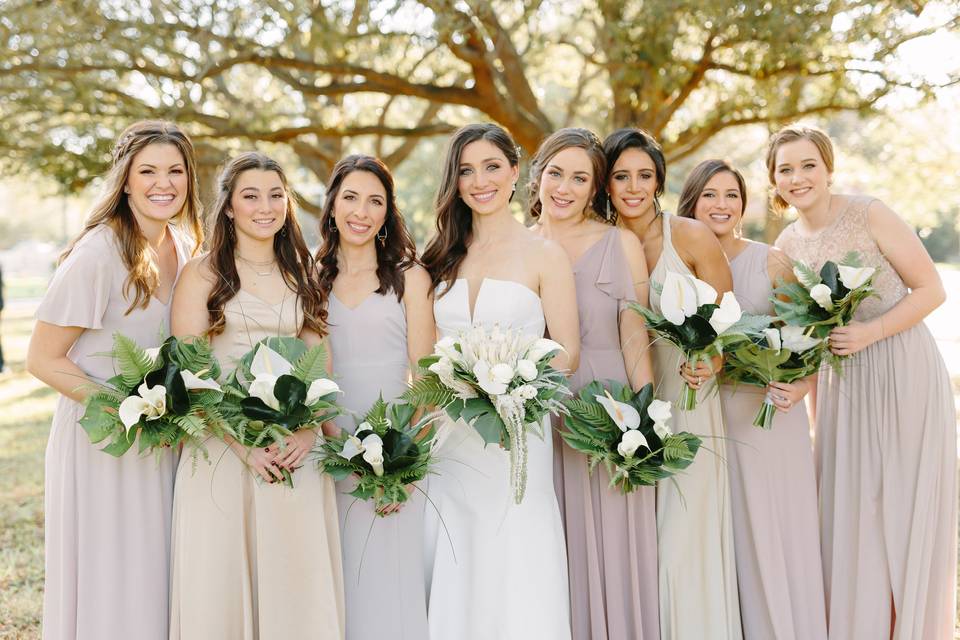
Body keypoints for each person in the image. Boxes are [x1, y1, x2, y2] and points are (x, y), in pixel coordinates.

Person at [770, 124, 957, 639]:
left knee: (901, 503)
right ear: (774, 182)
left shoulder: (870, 213)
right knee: (857, 515)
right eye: (785, 169)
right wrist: (804, 392)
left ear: (828, 169)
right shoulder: (784, 245)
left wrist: (871, 331)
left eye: (808, 165)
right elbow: (802, 334)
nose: (798, 177)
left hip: (901, 368)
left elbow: (931, 289)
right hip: (842, 386)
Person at [26, 120, 202, 640]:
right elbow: (42, 358)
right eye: (147, 171)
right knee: (114, 576)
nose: (162, 183)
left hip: (166, 439)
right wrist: (133, 408)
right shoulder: (97, 254)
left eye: (175, 171)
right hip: (103, 441)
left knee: (156, 569)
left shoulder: (188, 246)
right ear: (125, 180)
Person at [168, 152, 344, 639]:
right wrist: (243, 447)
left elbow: (319, 366)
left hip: (292, 446)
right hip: (224, 448)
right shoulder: (202, 275)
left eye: (275, 195)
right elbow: (192, 376)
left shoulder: (301, 272)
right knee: (221, 578)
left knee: (295, 580)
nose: (265, 207)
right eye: (250, 196)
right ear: (228, 208)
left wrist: (309, 431)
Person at [420, 123, 580, 640]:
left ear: (516, 171)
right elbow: (422, 359)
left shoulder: (544, 255)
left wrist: (511, 387)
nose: (479, 180)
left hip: (516, 432)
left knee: (515, 552)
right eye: (466, 170)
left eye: (492, 166)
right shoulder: (440, 255)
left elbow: (569, 352)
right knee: (454, 552)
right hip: (450, 436)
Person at [678, 159, 827, 640]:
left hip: (766, 414)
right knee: (725, 535)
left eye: (732, 196)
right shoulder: (673, 263)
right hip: (704, 411)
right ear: (691, 201)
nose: (722, 205)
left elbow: (807, 337)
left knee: (773, 532)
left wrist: (799, 386)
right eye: (710, 195)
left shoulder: (769, 260)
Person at [602, 128, 742, 640]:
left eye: (645, 175)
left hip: (686, 399)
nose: (634, 187)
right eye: (621, 176)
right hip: (619, 406)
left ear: (660, 180)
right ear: (606, 183)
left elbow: (728, 323)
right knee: (635, 535)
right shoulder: (600, 240)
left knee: (685, 530)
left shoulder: (690, 237)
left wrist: (712, 361)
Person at [529, 127, 658, 640]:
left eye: (579, 178)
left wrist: (645, 418)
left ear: (595, 188)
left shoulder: (619, 242)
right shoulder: (519, 246)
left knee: (617, 539)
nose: (564, 187)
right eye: (556, 173)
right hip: (542, 413)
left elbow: (634, 334)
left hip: (609, 407)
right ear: (538, 175)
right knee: (557, 544)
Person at [316, 154, 435, 639]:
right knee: (342, 575)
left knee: (393, 575)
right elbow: (313, 374)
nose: (360, 212)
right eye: (350, 198)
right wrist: (340, 447)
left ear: (388, 213)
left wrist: (406, 465)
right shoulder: (308, 276)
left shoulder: (411, 277)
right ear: (331, 205)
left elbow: (429, 380)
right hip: (330, 447)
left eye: (375, 201)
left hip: (397, 448)